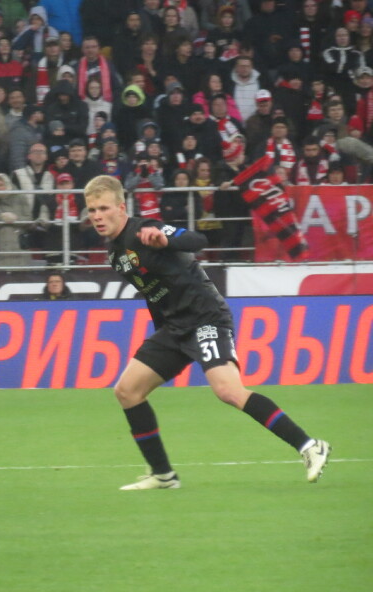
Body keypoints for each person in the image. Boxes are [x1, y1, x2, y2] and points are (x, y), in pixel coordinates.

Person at [83, 175, 331, 490]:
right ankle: (163, 475)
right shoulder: (116, 254)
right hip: (174, 328)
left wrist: (166, 240)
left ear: (121, 208)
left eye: (104, 208)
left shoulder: (146, 229)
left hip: (205, 318)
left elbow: (197, 240)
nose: (97, 216)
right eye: (92, 210)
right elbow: (154, 294)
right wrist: (163, 337)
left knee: (228, 391)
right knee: (127, 391)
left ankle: (309, 445)